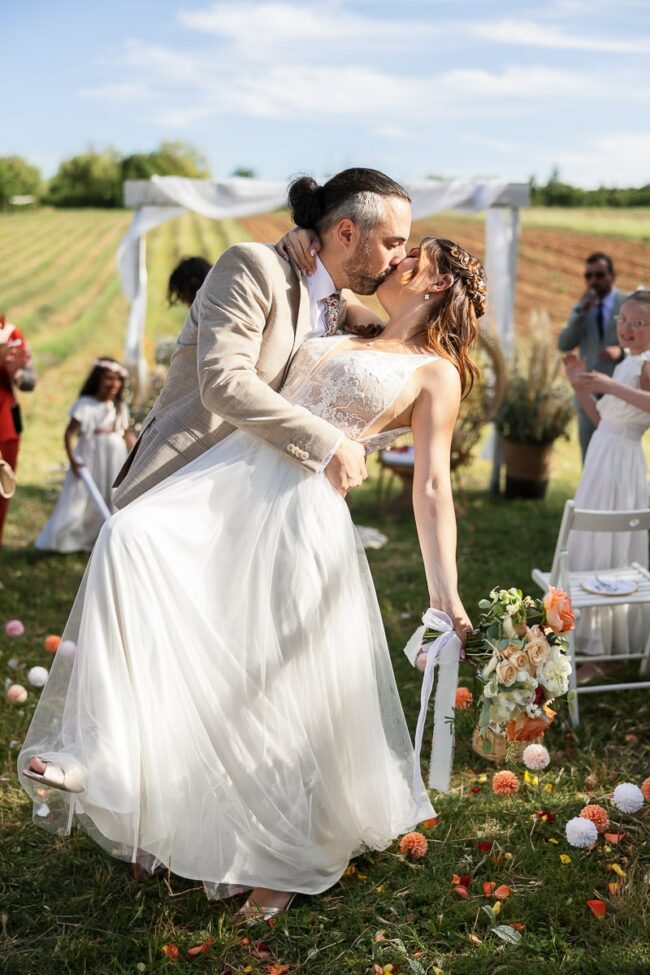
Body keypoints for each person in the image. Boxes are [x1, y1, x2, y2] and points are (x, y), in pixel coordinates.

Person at [19, 232, 484, 924]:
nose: (395, 259)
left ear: (439, 283)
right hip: (226, 486)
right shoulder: (342, 318)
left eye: (411, 255)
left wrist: (446, 595)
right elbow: (291, 292)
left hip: (299, 513)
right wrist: (294, 239)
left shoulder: (432, 372)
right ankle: (111, 756)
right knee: (130, 541)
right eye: (393, 243)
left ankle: (284, 859)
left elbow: (432, 488)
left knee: (275, 682)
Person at [112, 168, 413, 509]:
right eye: (393, 243)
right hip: (181, 483)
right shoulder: (252, 267)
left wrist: (357, 308)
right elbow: (225, 382)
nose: (400, 258)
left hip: (258, 501)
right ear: (346, 233)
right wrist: (329, 444)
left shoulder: (337, 300)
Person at [563, 289, 650, 674]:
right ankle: (583, 633)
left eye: (638, 323)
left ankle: (604, 652)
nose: (627, 328)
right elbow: (604, 421)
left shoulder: (646, 364)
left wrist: (608, 384)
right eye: (623, 321)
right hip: (602, 457)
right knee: (589, 539)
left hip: (623, 466)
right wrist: (579, 384)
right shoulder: (629, 365)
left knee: (611, 546)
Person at [35, 358, 135, 553]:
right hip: (90, 455)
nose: (113, 384)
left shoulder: (119, 407)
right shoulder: (85, 404)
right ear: (98, 379)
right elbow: (69, 433)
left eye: (118, 379)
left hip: (114, 456)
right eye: (108, 378)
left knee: (110, 491)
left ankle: (105, 537)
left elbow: (127, 433)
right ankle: (72, 537)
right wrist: (73, 460)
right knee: (85, 495)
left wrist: (136, 454)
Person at [557, 253, 627, 462]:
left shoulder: (628, 303)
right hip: (589, 394)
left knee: (619, 458)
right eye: (588, 276)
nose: (593, 281)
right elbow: (564, 344)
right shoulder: (582, 308)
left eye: (599, 275)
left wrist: (621, 352)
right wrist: (579, 313)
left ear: (613, 276)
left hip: (621, 390)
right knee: (590, 459)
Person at [0, 313, 36, 548]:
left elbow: (30, 382)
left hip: (6, 427)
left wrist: (17, 372)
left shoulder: (11, 332)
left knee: (2, 491)